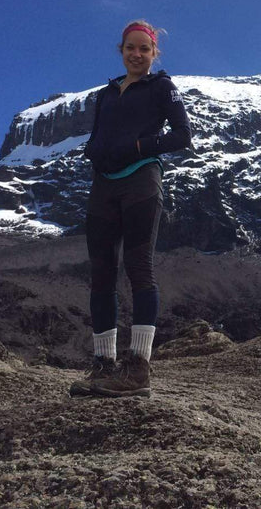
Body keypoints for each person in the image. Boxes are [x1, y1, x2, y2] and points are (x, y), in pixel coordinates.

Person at [69, 20, 191, 399]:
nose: (136, 55)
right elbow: (102, 132)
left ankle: (138, 368)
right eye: (130, 48)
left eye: (144, 49)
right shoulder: (106, 94)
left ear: (155, 54)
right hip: (104, 184)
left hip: (141, 179)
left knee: (139, 266)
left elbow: (182, 135)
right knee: (102, 272)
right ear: (120, 50)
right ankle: (104, 367)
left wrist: (140, 148)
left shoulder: (162, 88)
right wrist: (94, 148)